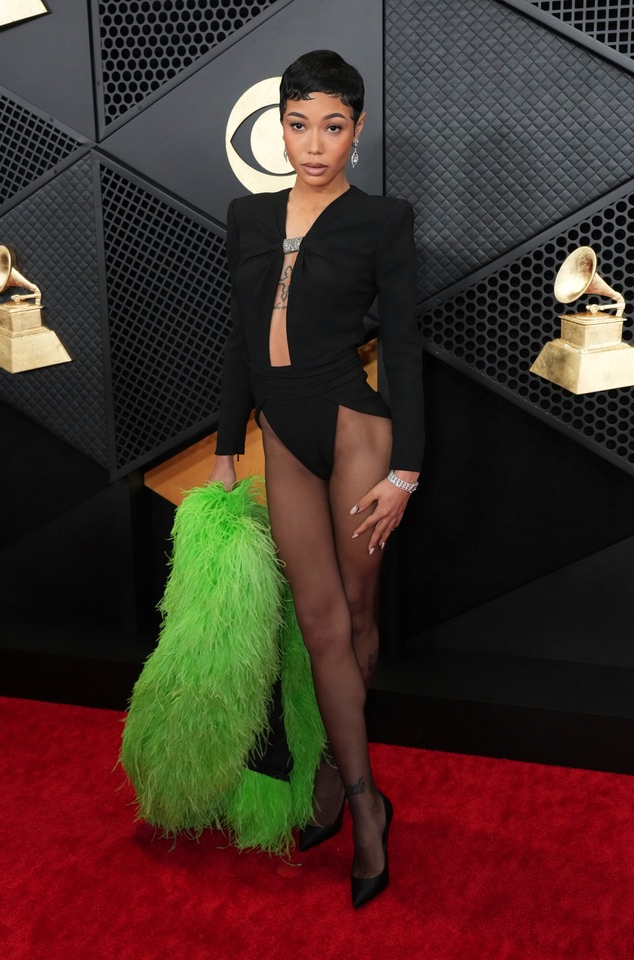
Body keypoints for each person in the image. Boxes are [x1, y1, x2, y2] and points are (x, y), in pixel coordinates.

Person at [208, 49, 424, 909]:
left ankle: (348, 787)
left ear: (356, 130)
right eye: (299, 125)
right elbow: (239, 337)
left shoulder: (382, 220)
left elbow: (403, 346)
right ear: (281, 127)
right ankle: (365, 795)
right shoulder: (247, 214)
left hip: (355, 434)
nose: (314, 143)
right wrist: (226, 447)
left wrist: (406, 471)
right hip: (280, 433)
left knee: (358, 618)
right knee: (319, 622)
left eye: (333, 126)